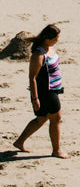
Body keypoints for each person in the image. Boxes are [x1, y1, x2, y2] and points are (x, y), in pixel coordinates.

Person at [12, 24, 66, 157]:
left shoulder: (50, 48)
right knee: (56, 118)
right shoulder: (38, 55)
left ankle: (19, 142)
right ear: (48, 38)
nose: (57, 41)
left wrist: (59, 86)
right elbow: (32, 78)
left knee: (41, 118)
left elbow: (53, 70)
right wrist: (35, 99)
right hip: (45, 92)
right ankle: (56, 150)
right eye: (55, 38)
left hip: (54, 89)